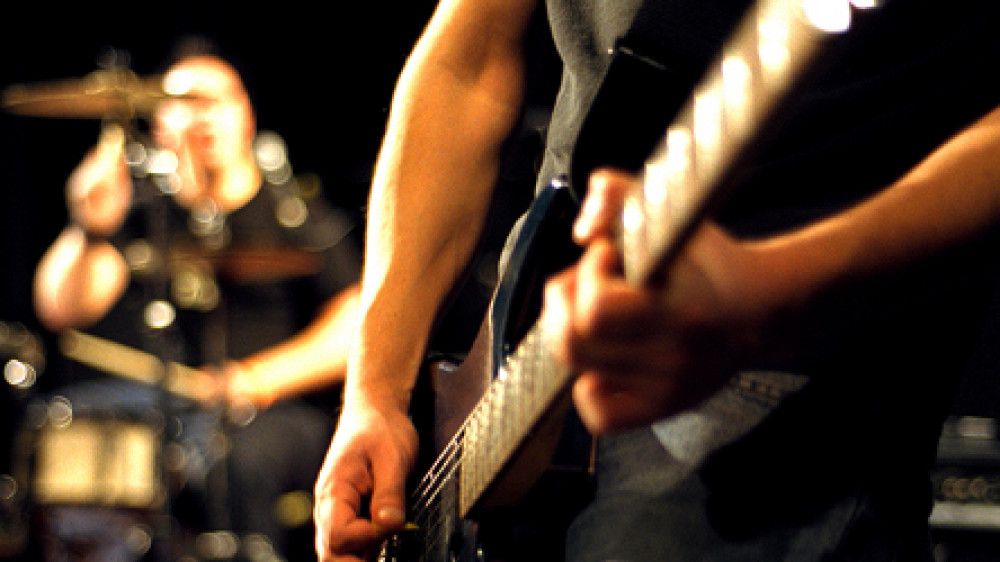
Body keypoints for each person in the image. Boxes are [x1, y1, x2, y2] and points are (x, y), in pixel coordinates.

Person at [313, 0, 1000, 561]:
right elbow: (468, 60)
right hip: (522, 355)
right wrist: (377, 390)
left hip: (791, 394)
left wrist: (774, 287)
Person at [33, 55, 362, 560]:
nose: (204, 116)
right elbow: (62, 308)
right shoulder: (149, 213)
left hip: (277, 410)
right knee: (71, 432)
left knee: (236, 461)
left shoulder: (293, 212)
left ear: (246, 115)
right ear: (160, 125)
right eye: (185, 103)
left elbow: (352, 325)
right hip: (173, 404)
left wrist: (256, 378)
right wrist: (89, 227)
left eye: (217, 102)